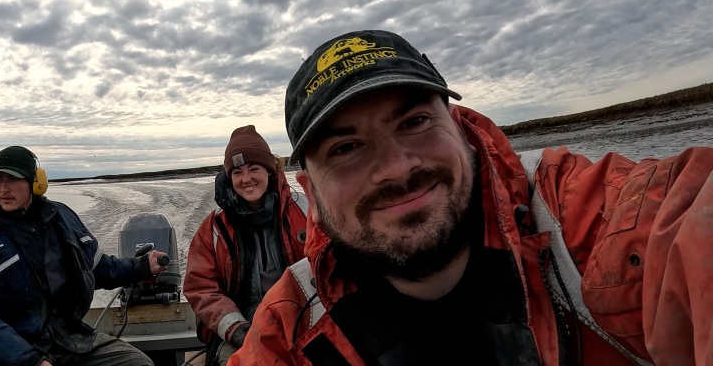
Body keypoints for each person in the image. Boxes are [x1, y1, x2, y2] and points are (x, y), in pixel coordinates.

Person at [229, 30, 713, 366]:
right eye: (346, 148)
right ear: (308, 189)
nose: (398, 166)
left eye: (415, 122)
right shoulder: (290, 330)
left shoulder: (581, 218)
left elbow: (685, 226)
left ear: (458, 128)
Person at [0, 146, 169, 366]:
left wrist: (141, 267)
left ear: (36, 182)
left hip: (69, 339)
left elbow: (98, 268)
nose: (4, 188)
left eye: (13, 179)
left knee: (138, 362)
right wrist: (29, 359)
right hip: (12, 354)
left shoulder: (62, 217)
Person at [184, 126, 309, 366]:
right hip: (241, 325)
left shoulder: (304, 210)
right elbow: (200, 286)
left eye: (254, 169)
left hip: (301, 317)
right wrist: (237, 329)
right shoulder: (214, 228)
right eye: (237, 172)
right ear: (229, 178)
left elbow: (328, 264)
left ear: (270, 171)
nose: (246, 179)